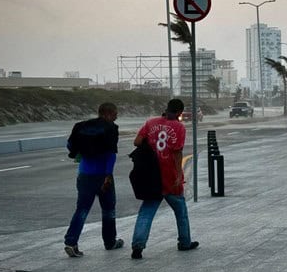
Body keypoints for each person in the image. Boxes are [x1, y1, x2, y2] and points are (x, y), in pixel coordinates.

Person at [130, 98, 199, 259]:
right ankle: (184, 242)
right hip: (169, 176)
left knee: (146, 212)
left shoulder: (151, 122)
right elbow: (177, 152)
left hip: (151, 176)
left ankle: (137, 246)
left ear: (166, 108)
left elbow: (137, 141)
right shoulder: (179, 127)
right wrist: (178, 175)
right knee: (180, 211)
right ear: (180, 112)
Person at [64, 102, 124, 257]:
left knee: (82, 209)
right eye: (115, 113)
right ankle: (110, 242)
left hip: (84, 174)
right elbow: (111, 155)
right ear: (109, 113)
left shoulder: (81, 126)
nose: (117, 116)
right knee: (108, 210)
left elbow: (70, 145)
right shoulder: (111, 128)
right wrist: (108, 176)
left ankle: (71, 242)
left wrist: (80, 154)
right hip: (102, 175)